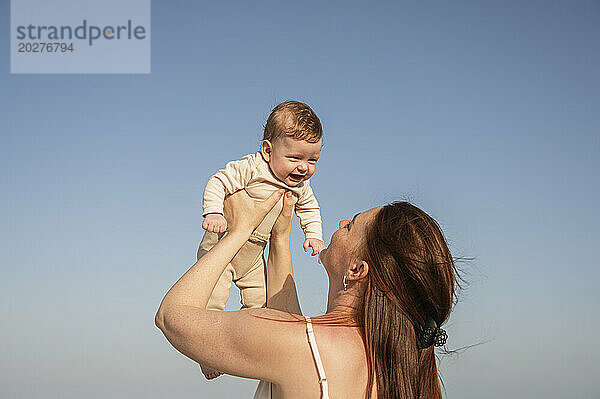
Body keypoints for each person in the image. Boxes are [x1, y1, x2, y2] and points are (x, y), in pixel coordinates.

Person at [156, 188, 457, 398]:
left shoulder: (302, 346)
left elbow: (172, 316)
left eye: (351, 226)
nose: (341, 224)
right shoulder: (393, 362)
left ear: (357, 270)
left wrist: (239, 232)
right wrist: (280, 238)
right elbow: (288, 326)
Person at [197, 100, 326, 378]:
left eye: (312, 160)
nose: (303, 168)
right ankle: (207, 355)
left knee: (260, 302)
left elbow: (310, 209)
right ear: (268, 150)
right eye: (295, 158)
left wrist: (314, 235)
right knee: (213, 302)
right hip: (223, 247)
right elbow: (218, 181)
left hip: (254, 254)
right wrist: (214, 212)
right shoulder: (252, 168)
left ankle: (251, 349)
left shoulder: (300, 186)